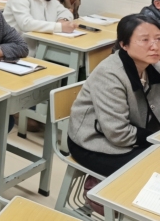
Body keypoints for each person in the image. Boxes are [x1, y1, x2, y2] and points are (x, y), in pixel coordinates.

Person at [68, 14, 160, 177]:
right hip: (95, 143)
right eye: (145, 40)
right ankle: (99, 187)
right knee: (153, 168)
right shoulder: (110, 74)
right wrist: (155, 138)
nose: (155, 46)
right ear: (124, 44)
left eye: (158, 39)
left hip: (134, 132)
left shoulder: (152, 65)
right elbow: (118, 133)